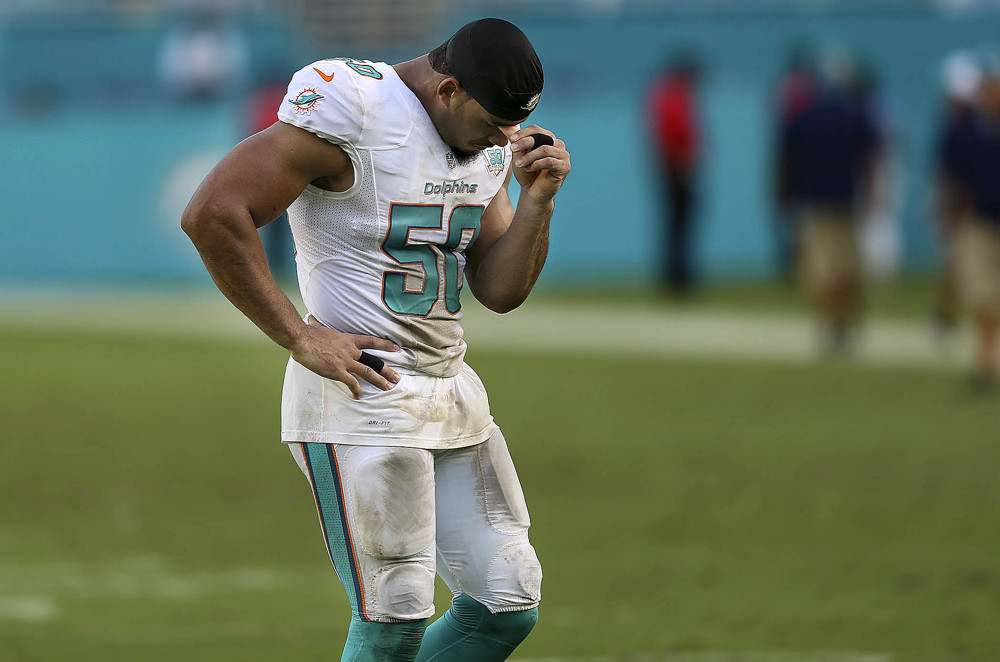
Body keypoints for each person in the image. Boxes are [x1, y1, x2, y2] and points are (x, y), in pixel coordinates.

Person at [182, 17, 571, 661]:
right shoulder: (356, 109)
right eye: (495, 121)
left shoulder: (484, 141)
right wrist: (302, 336)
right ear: (447, 88)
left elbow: (500, 291)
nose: (506, 140)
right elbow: (214, 213)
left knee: (508, 601)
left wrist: (537, 203)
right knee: (394, 613)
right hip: (360, 394)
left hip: (449, 391)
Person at [777, 54, 878, 353]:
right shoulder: (855, 116)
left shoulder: (802, 118)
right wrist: (872, 195)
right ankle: (842, 320)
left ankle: (829, 322)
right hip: (844, 202)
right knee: (846, 267)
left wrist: (782, 196)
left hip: (813, 203)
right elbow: (869, 160)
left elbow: (786, 162)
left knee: (821, 269)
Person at [941, 63, 1000, 392]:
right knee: (984, 297)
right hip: (978, 221)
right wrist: (950, 216)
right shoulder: (965, 132)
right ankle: (985, 364)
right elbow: (953, 177)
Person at [647, 54, 701, 297]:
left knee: (675, 225)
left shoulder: (666, 94)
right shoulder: (675, 96)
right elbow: (676, 136)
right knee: (679, 226)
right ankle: (678, 277)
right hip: (677, 170)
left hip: (671, 168)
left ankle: (677, 275)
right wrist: (682, 166)